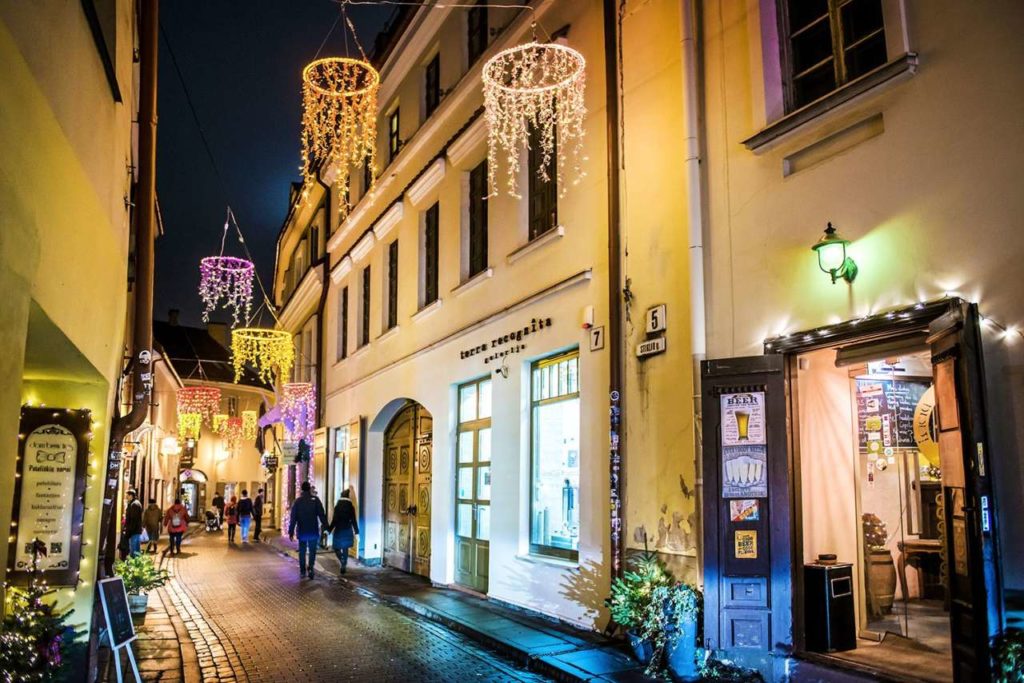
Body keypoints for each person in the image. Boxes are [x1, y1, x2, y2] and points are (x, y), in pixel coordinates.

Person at [288, 481, 327, 579]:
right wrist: (326, 526)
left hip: (302, 531)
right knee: (312, 550)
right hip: (313, 531)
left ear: (301, 489)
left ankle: (302, 571)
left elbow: (293, 518)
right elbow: (322, 514)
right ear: (309, 489)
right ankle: (311, 568)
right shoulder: (315, 500)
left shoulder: (298, 501)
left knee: (302, 551)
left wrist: (291, 531)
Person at [327, 489, 359, 575]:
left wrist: (329, 530)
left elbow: (334, 520)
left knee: (336, 547)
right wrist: (357, 532)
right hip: (347, 530)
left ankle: (342, 559)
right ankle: (343, 563)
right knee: (345, 548)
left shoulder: (337, 507)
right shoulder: (351, 507)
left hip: (339, 530)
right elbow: (353, 521)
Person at [124, 489, 144, 556]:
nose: (126, 497)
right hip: (135, 530)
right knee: (136, 550)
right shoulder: (134, 503)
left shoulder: (134, 504)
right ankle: (137, 564)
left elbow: (133, 519)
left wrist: (129, 531)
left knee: (134, 550)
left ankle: (134, 564)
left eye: (127, 495)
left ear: (131, 496)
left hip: (134, 531)